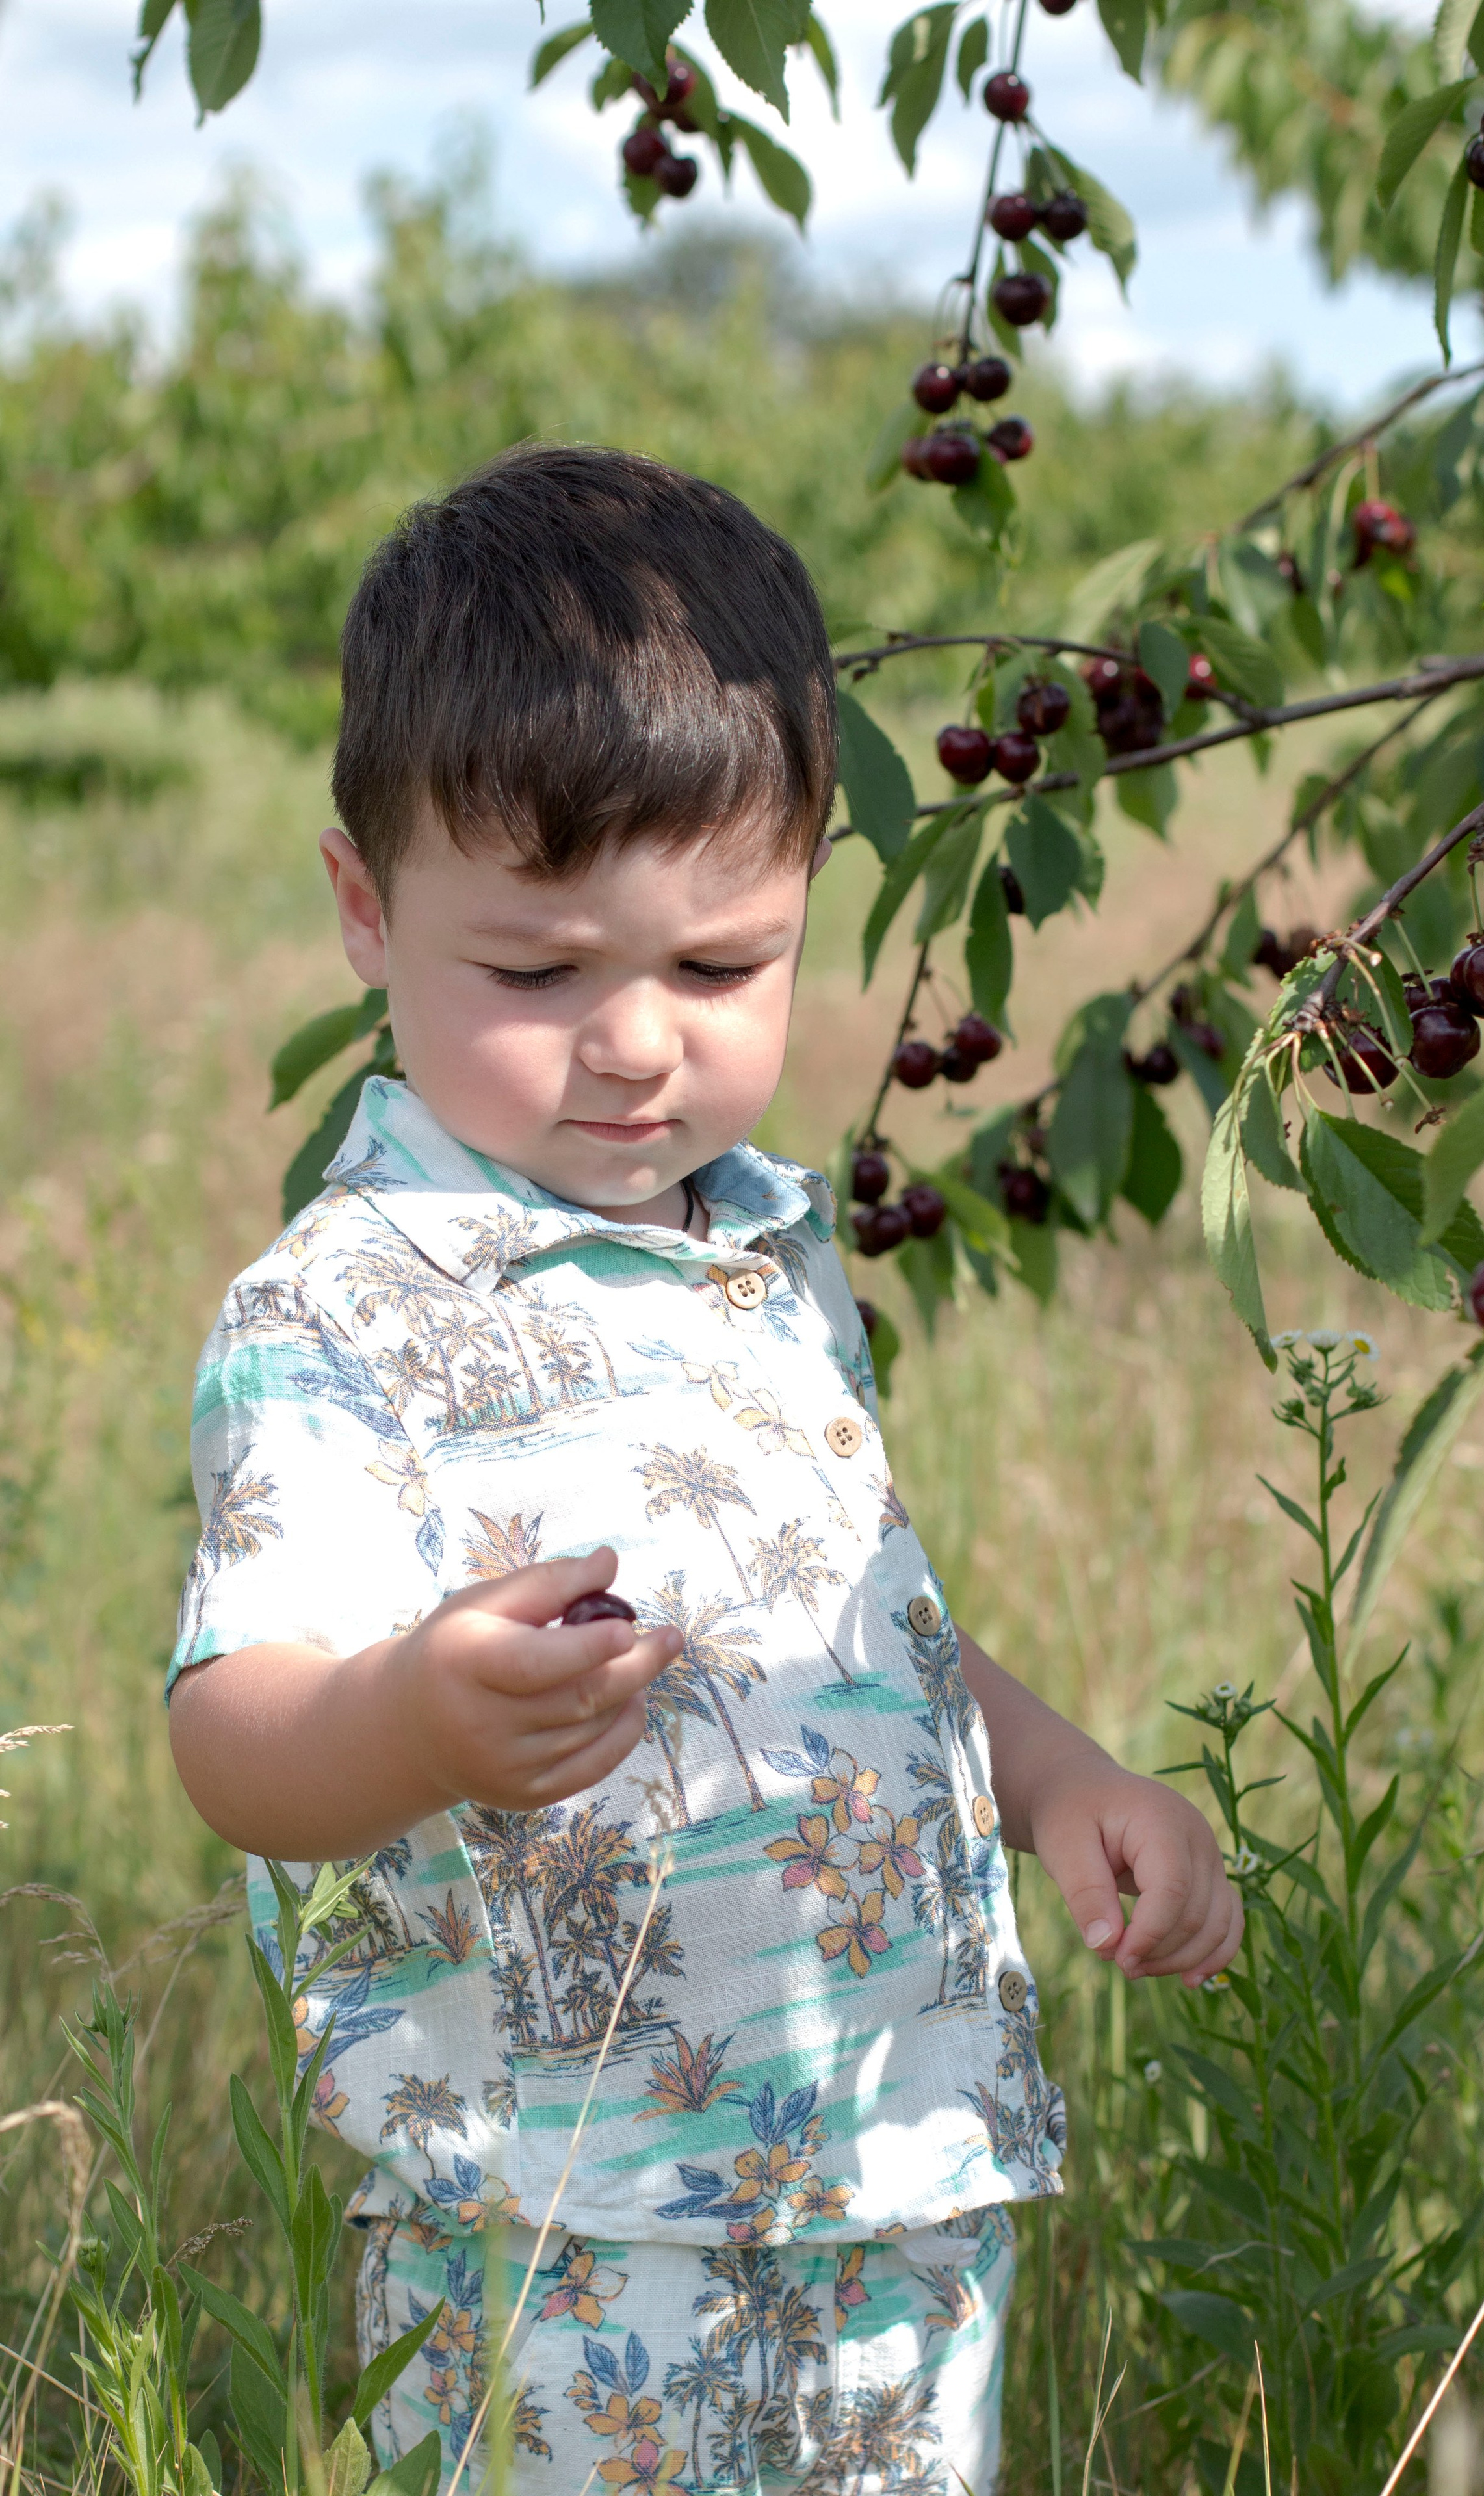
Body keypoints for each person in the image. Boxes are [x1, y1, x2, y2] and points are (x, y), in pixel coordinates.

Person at [167, 443, 1242, 2496]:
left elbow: (860, 1618)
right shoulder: (347, 1306)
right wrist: (413, 1716)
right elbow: (236, 1731)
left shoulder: (763, 1246)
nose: (637, 1044)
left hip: (895, 2163)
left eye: (720, 967)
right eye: (539, 972)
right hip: (563, 2228)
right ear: (365, 912)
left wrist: (1065, 1780)